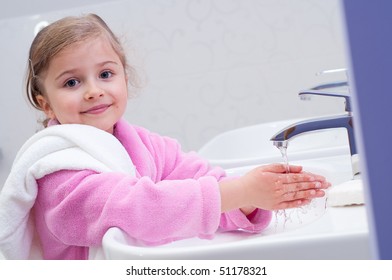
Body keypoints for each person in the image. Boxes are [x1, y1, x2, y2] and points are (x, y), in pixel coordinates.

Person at [0, 14, 329, 260]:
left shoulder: (144, 145)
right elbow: (138, 208)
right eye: (72, 82)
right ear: (46, 103)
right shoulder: (57, 171)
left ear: (124, 78)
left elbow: (200, 177)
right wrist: (240, 190)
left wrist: (250, 199)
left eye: (105, 74)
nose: (94, 91)